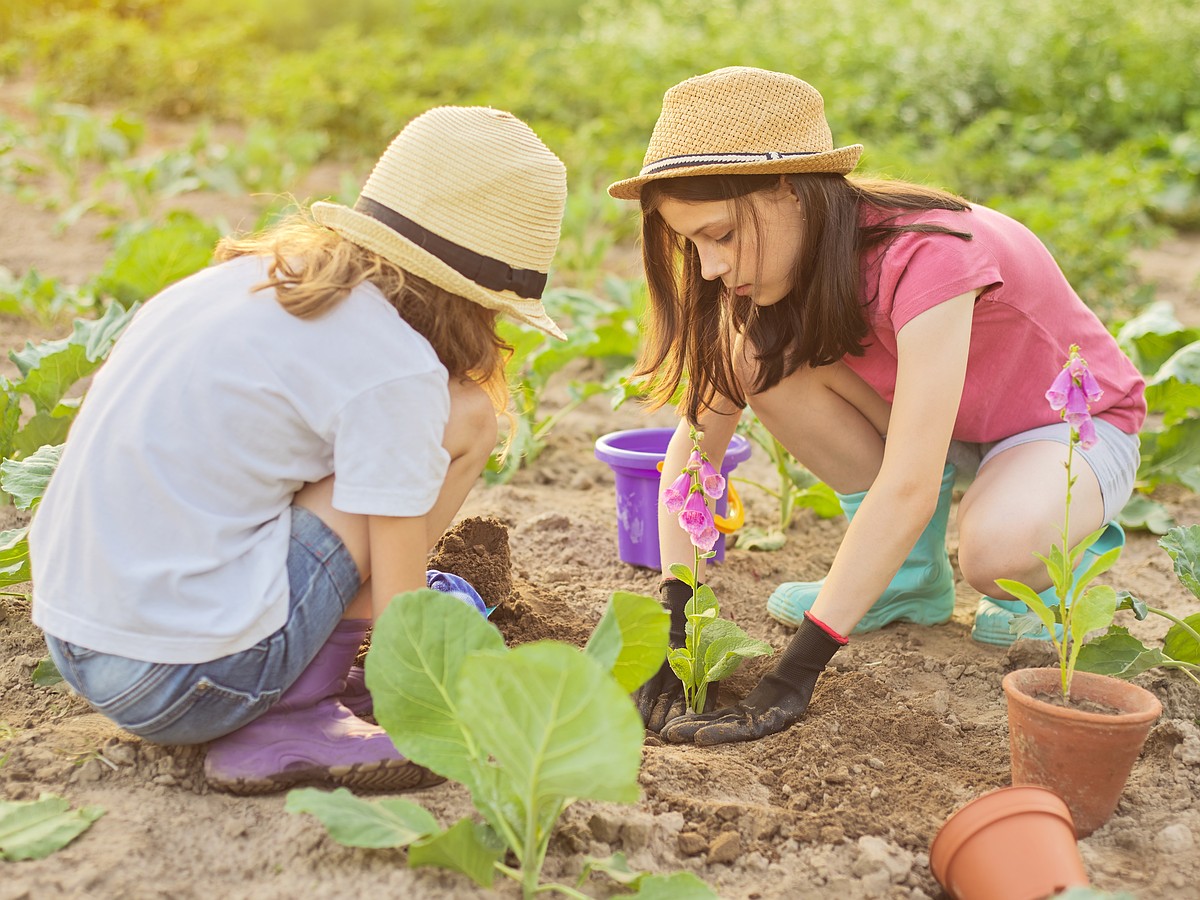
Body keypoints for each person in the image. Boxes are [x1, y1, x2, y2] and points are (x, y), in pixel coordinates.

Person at [30, 106, 568, 793]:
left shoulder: (254, 280)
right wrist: (430, 689)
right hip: (184, 682)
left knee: (369, 456)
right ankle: (299, 707)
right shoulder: (396, 364)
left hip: (78, 635)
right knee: (468, 418)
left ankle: (292, 663)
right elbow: (403, 618)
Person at [609, 67, 1145, 745]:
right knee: (756, 362)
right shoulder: (769, 269)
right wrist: (676, 617)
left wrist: (797, 670)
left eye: (719, 235)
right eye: (693, 245)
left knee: (997, 552)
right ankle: (910, 577)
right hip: (942, 422)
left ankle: (1064, 550)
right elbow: (695, 445)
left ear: (788, 191)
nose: (710, 267)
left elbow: (911, 481)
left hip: (1062, 427)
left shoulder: (927, 253)